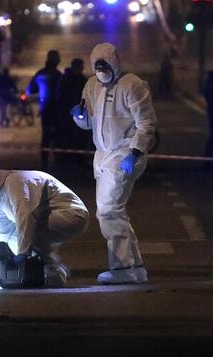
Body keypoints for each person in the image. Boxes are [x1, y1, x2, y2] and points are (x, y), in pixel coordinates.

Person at [71, 42, 156, 284]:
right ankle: (135, 266)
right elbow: (89, 123)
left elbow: (146, 122)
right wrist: (79, 117)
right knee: (113, 211)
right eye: (98, 68)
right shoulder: (91, 85)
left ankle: (123, 268)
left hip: (124, 153)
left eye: (105, 67)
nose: (102, 73)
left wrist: (134, 153)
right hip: (103, 156)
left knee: (109, 210)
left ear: (115, 63)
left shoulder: (132, 85)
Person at [0, 167, 89, 288]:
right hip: (53, 217)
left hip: (71, 215)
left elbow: (26, 216)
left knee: (24, 235)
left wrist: (23, 254)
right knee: (17, 239)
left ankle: (52, 269)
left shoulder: (16, 181)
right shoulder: (2, 198)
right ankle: (52, 269)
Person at [27, 50, 62, 168]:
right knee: (56, 136)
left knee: (45, 136)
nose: (59, 61)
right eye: (57, 59)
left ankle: (44, 162)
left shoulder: (40, 73)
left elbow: (30, 89)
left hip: (44, 109)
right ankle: (57, 161)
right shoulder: (57, 74)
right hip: (56, 109)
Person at [56, 58, 88, 165]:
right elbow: (61, 96)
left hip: (78, 113)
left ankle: (78, 161)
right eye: (79, 67)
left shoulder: (82, 80)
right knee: (66, 137)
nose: (81, 69)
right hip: (65, 114)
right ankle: (66, 161)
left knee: (79, 138)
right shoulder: (65, 80)